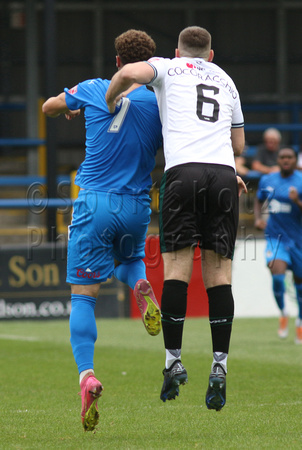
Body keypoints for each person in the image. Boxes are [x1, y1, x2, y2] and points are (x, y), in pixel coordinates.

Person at [106, 26, 247, 411]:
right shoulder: (227, 81)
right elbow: (238, 145)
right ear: (211, 55)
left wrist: (111, 98)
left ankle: (173, 361)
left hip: (182, 174)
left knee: (176, 272)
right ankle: (219, 367)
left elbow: (126, 75)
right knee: (220, 277)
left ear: (178, 51)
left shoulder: (166, 67)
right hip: (222, 175)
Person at [42, 29, 163, 432]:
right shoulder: (161, 99)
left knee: (84, 296)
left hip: (95, 202)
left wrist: (68, 109)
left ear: (116, 61)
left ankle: (87, 376)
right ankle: (141, 286)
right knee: (130, 260)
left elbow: (48, 107)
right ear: (149, 63)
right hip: (136, 204)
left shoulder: (94, 88)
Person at [254, 147, 302, 344]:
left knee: (299, 285)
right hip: (275, 237)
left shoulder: (300, 181)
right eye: (282, 157)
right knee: (277, 273)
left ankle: (299, 320)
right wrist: (257, 219)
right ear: (279, 160)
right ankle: (283, 312)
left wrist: (297, 201)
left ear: (294, 160)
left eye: (289, 157)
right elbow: (258, 200)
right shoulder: (268, 180)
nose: (285, 160)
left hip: (298, 240)